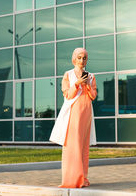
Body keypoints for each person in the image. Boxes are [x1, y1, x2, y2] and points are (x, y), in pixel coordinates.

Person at [49, 47, 97, 188]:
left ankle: (82, 178)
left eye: (84, 58)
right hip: (73, 113)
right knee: (72, 146)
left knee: (83, 148)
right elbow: (68, 95)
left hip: (86, 113)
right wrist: (76, 84)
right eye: (79, 57)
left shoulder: (91, 76)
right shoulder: (68, 75)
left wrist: (87, 84)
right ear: (74, 59)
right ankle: (71, 179)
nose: (82, 60)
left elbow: (93, 96)